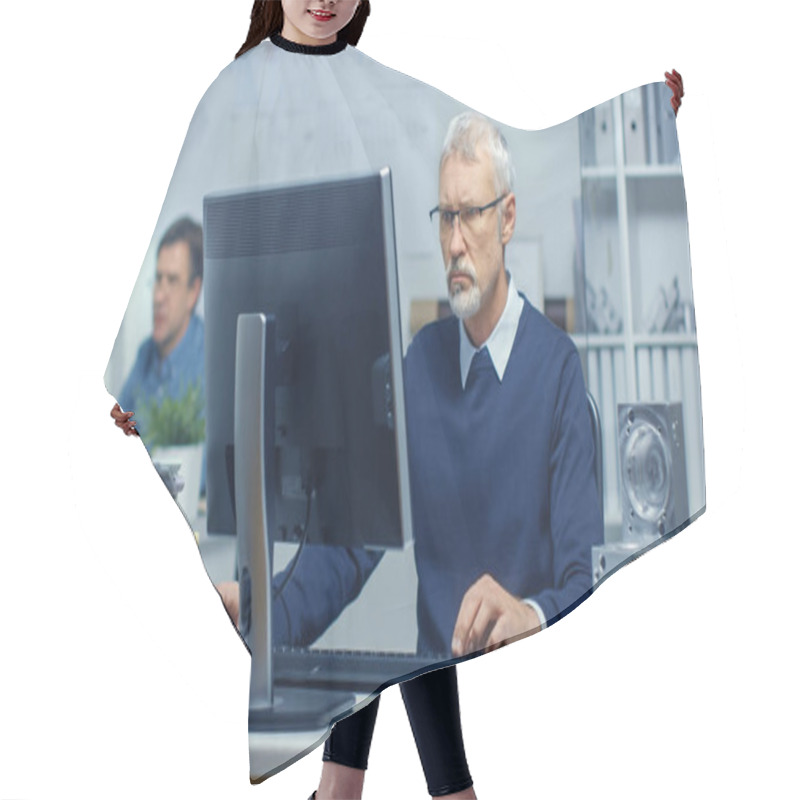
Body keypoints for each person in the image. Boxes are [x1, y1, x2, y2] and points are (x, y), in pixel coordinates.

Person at [108, 3, 687, 796]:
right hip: (382, 542)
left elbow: (581, 549)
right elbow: (358, 530)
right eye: (445, 216)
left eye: (471, 215)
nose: (455, 238)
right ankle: (362, 789)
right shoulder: (417, 361)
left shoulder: (550, 369)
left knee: (402, 636)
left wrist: (640, 112)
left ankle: (359, 790)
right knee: (394, 624)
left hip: (448, 601)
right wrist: (150, 381)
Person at [111, 216, 204, 441]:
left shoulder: (209, 362)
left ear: (193, 292)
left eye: (172, 281)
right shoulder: (146, 354)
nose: (159, 296)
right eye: (158, 279)